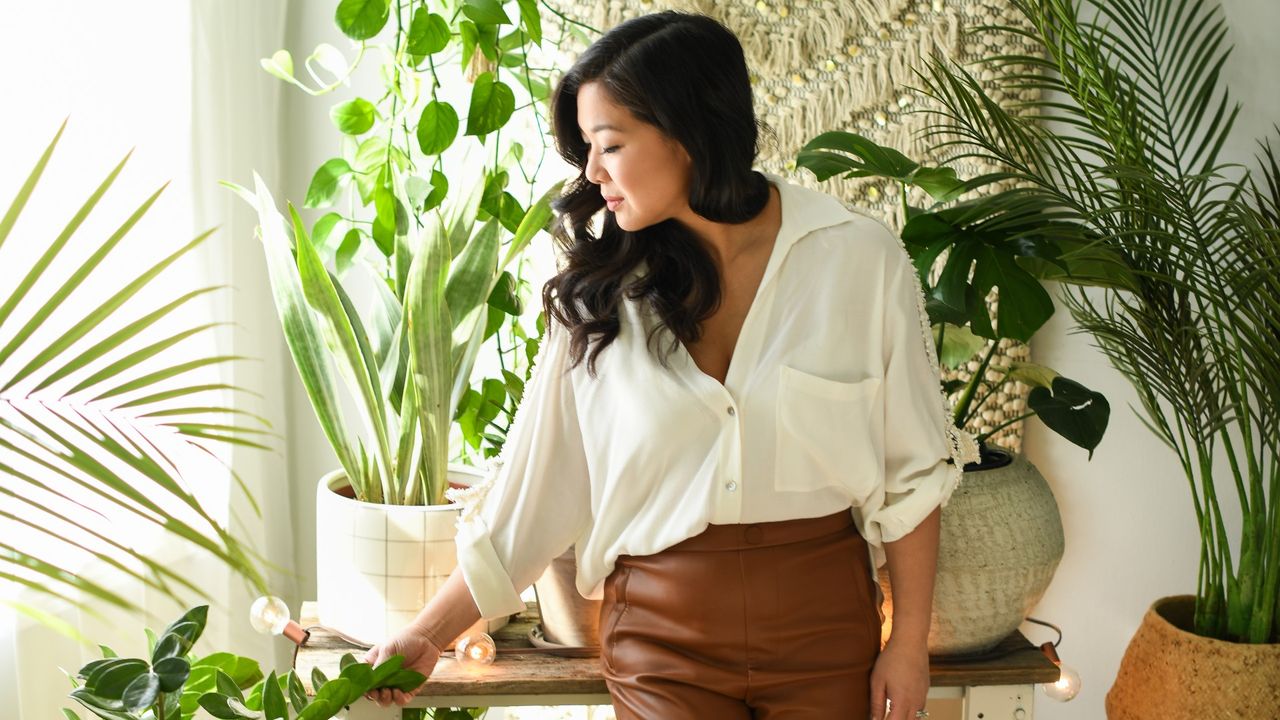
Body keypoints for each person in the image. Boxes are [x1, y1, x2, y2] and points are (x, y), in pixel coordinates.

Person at [363, 10, 976, 720]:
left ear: (687, 132)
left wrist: (906, 646)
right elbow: (532, 498)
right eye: (587, 148)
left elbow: (911, 475)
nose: (592, 171)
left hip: (827, 630)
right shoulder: (598, 296)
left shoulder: (859, 260)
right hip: (661, 641)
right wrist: (426, 635)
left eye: (610, 144)